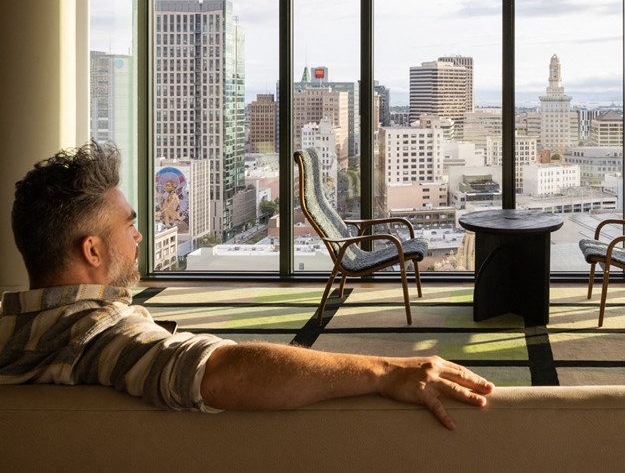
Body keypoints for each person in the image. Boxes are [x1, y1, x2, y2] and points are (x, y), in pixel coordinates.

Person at [0, 141, 492, 430]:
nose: (140, 236)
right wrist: (386, 371)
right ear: (91, 251)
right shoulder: (96, 338)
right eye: (128, 227)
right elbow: (211, 372)